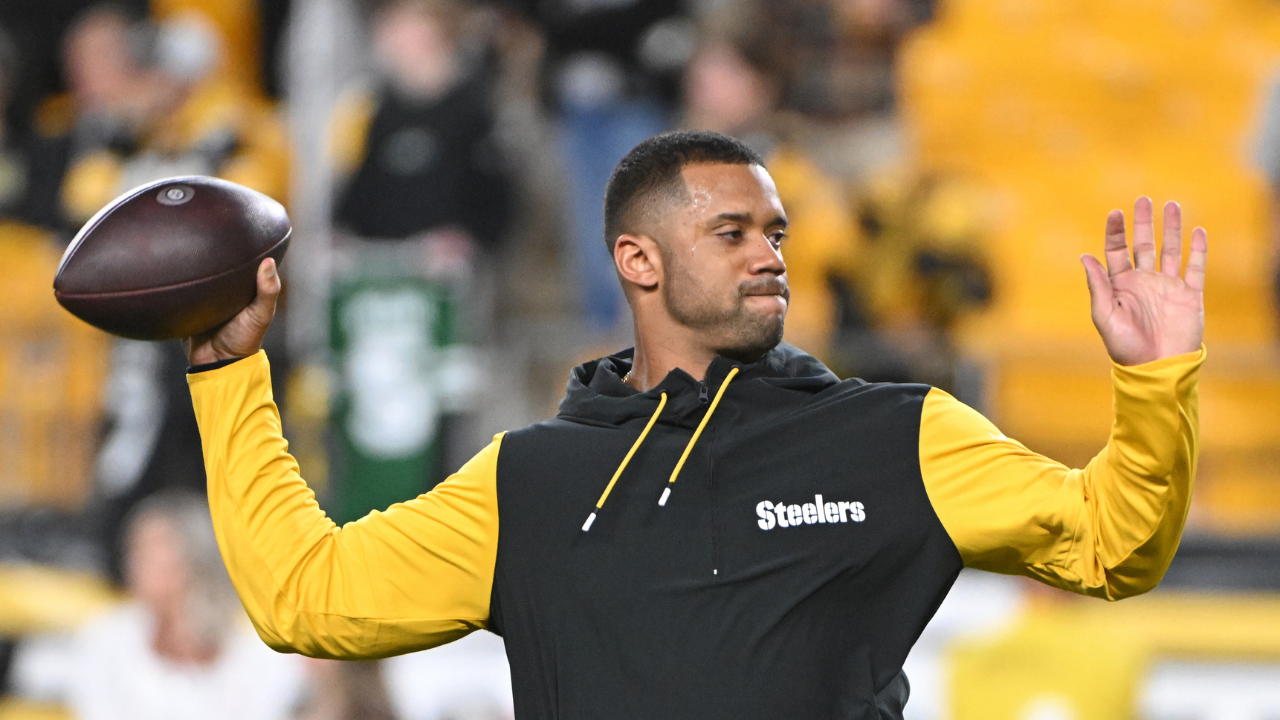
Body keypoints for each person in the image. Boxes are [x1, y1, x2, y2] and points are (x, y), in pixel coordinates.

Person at [185, 131, 1207, 719]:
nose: (770, 255)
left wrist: (1155, 380)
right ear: (638, 261)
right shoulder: (526, 483)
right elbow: (306, 598)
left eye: (776, 232)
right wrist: (230, 371)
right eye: (731, 232)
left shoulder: (902, 437)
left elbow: (1112, 544)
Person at [69, 490, 304, 720]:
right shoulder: (105, 639)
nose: (132, 563)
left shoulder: (257, 652)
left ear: (195, 559)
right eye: (133, 551)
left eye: (147, 551)